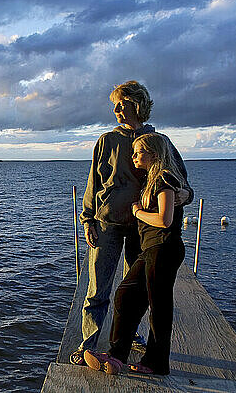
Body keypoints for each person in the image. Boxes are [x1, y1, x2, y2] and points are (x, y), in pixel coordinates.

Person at [70, 81, 192, 366]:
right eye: (114, 105)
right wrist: (88, 219)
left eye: (121, 104)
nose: (115, 109)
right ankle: (87, 344)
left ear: (136, 105)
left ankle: (130, 338)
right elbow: (94, 183)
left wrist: (186, 195)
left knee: (134, 292)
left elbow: (181, 180)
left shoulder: (159, 141)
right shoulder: (106, 141)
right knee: (97, 290)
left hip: (144, 231)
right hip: (108, 224)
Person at [83, 132, 187, 375]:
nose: (134, 157)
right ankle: (116, 356)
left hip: (163, 248)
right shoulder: (152, 178)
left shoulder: (164, 179)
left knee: (158, 306)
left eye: (138, 152)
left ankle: (156, 363)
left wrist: (138, 212)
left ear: (154, 153)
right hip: (152, 248)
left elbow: (164, 220)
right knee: (126, 296)